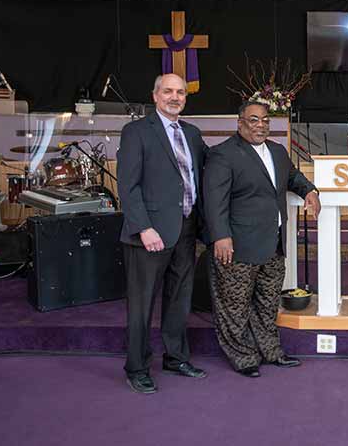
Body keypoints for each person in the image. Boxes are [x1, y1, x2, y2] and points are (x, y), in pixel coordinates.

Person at [203, 101, 321, 378]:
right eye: (253, 120)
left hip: (273, 243)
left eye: (265, 120)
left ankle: (271, 351)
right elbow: (214, 201)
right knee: (234, 305)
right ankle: (243, 357)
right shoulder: (223, 154)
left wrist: (310, 191)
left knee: (267, 302)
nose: (260, 125)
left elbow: (293, 177)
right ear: (240, 122)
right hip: (238, 244)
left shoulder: (278, 152)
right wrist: (221, 236)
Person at [117, 73, 208, 394]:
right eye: (168, 91)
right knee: (141, 305)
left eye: (180, 92)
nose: (175, 97)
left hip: (185, 229)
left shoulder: (193, 134)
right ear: (155, 95)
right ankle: (137, 367)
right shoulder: (136, 132)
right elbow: (127, 187)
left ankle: (176, 357)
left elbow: (206, 174)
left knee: (179, 300)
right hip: (149, 234)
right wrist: (143, 227)